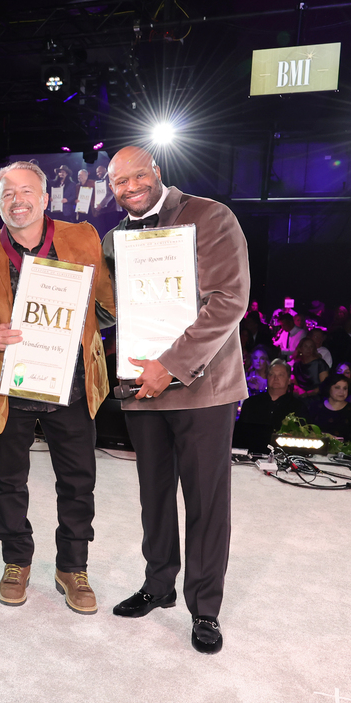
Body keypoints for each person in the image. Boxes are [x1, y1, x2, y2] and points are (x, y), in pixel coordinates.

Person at [102, 146, 249, 655]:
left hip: (203, 388)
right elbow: (107, 310)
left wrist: (173, 364)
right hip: (143, 385)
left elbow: (230, 298)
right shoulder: (114, 239)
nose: (130, 186)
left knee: (206, 501)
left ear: (156, 173)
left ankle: (204, 608)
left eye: (138, 175)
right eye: (120, 181)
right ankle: (158, 583)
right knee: (154, 495)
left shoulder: (210, 216)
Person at [0, 161, 114, 613]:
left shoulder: (82, 237)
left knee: (78, 483)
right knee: (8, 481)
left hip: (70, 383)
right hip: (8, 387)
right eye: (7, 194)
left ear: (46, 198)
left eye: (27, 191)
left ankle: (73, 567)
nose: (18, 201)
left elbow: (108, 305)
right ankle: (17, 560)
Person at [233, 361, 307, 451]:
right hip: (252, 455)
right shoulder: (251, 403)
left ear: (288, 380)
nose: (276, 378)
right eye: (272, 374)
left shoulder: (298, 406)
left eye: (281, 375)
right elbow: (241, 435)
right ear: (267, 377)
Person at [309, 374, 351, 444]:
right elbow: (307, 432)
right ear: (328, 388)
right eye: (337, 388)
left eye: (345, 388)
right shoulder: (315, 407)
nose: (341, 392)